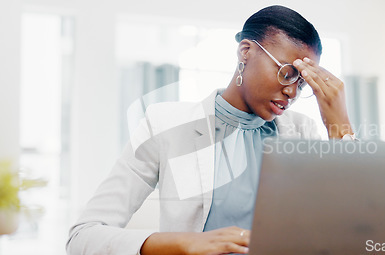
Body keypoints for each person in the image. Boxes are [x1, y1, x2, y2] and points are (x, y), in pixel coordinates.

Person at [66, 5, 354, 255]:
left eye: (302, 83)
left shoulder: (301, 133)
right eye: (287, 72)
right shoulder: (165, 124)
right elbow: (84, 236)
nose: (291, 91)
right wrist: (182, 244)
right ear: (246, 52)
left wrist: (338, 124)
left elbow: (353, 229)